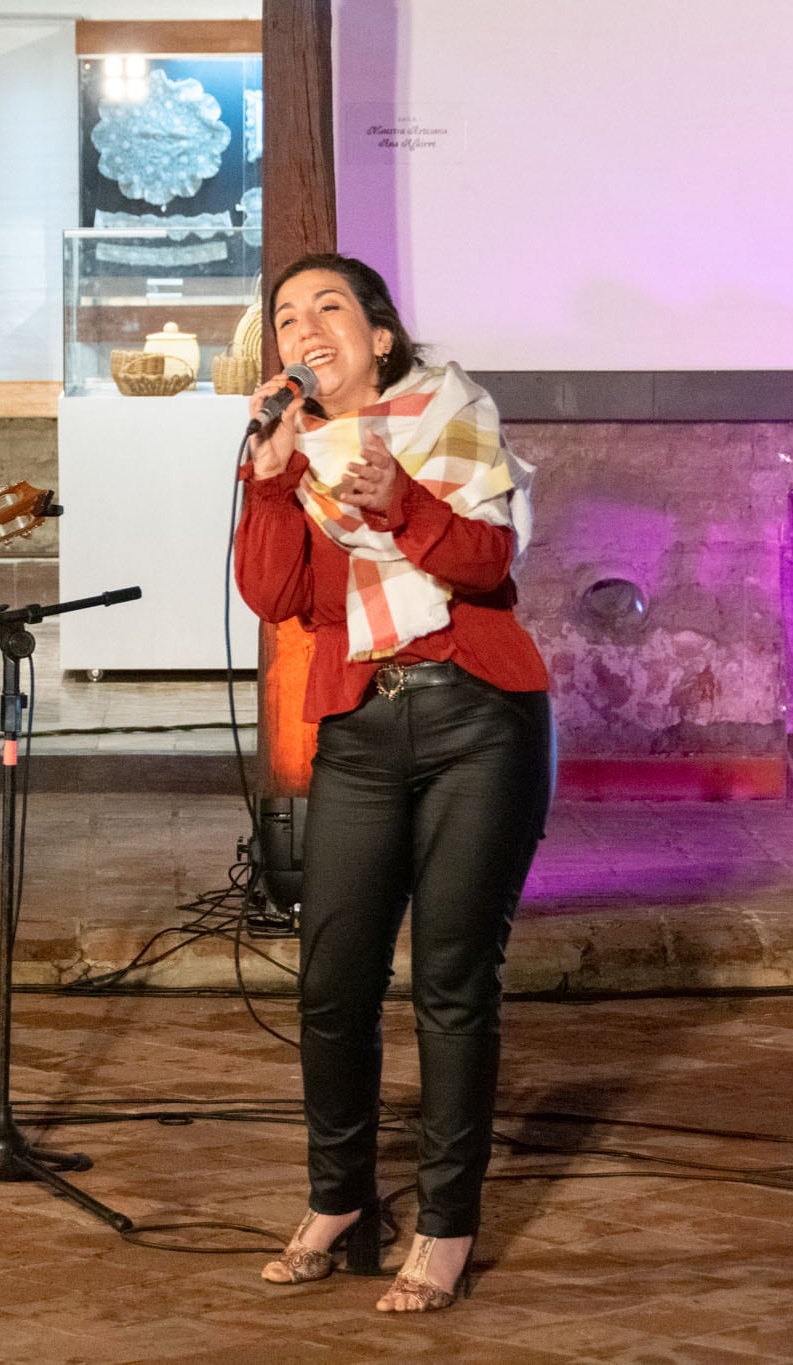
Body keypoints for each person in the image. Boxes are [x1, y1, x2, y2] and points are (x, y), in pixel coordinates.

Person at [234, 254, 553, 1312]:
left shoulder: (449, 413)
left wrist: (400, 499)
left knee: (451, 983)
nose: (303, 326)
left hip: (475, 718)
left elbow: (485, 564)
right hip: (360, 728)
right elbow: (272, 591)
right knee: (331, 983)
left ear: (377, 336)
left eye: (327, 306)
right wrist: (275, 476)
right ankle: (337, 1201)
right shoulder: (295, 450)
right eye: (285, 316)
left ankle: (445, 1225)